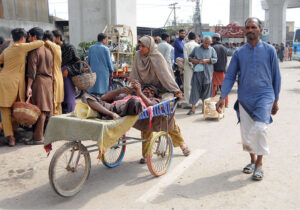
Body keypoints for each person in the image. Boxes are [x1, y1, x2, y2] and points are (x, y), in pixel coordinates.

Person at [216, 17, 281, 181]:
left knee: (260, 128)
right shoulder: (239, 53)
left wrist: (276, 99)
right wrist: (222, 97)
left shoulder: (269, 50)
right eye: (248, 27)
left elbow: (276, 77)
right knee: (246, 133)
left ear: (260, 30)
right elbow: (230, 76)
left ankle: (259, 163)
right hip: (245, 97)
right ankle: (252, 160)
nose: (250, 29)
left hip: (265, 95)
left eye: (254, 27)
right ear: (244, 31)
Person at [130, 35, 190, 162]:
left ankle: (181, 144)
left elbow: (166, 75)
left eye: (143, 47)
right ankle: (146, 154)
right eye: (139, 46)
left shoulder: (157, 57)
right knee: (146, 119)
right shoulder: (137, 56)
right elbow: (134, 74)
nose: (140, 49)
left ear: (150, 47)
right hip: (145, 90)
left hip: (162, 89)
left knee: (167, 118)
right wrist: (133, 89)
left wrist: (175, 90)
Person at [0, 28, 44, 146]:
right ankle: (14, 133)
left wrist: (2, 71)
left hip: (4, 82)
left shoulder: (7, 50)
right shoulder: (22, 47)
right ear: (23, 38)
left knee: (5, 111)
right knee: (16, 109)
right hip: (17, 84)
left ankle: (11, 138)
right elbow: (41, 42)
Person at [25, 27, 54, 145]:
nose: (29, 39)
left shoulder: (35, 51)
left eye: (30, 36)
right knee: (48, 109)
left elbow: (32, 71)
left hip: (39, 82)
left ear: (35, 37)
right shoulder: (48, 50)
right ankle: (47, 134)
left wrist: (29, 86)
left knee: (41, 110)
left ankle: (38, 138)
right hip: (48, 81)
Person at [82, 81, 160, 120]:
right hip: (111, 108)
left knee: (135, 101)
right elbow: (103, 98)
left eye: (151, 92)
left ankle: (108, 115)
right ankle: (111, 114)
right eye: (146, 89)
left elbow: (152, 106)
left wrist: (140, 93)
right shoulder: (131, 95)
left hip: (128, 110)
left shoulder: (153, 100)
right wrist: (120, 90)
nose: (148, 92)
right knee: (86, 96)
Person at [187, 36, 217, 115]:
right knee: (195, 90)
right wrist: (195, 60)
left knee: (206, 91)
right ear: (202, 42)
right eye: (205, 43)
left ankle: (204, 109)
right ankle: (193, 109)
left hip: (208, 73)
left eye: (208, 43)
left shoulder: (212, 49)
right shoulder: (196, 49)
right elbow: (189, 58)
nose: (207, 45)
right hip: (197, 73)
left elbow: (215, 59)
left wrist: (207, 60)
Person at [53, 30, 80, 114]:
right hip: (56, 77)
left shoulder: (69, 48)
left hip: (67, 78)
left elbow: (78, 64)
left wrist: (67, 69)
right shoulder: (52, 49)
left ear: (58, 38)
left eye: (52, 38)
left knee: (68, 100)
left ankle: (71, 118)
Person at [43, 31, 64, 115]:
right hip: (59, 78)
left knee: (54, 104)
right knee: (58, 104)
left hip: (54, 78)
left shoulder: (54, 47)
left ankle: (55, 125)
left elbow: (47, 42)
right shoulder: (58, 48)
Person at [211, 33, 228, 107]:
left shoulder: (212, 47)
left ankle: (211, 103)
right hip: (222, 71)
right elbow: (226, 59)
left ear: (214, 39)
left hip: (214, 70)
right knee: (223, 88)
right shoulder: (224, 48)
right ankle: (226, 103)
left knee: (212, 88)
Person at [183, 32, 199, 106]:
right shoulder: (198, 45)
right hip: (197, 68)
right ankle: (196, 102)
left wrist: (190, 65)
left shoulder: (186, 45)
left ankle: (189, 102)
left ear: (188, 38)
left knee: (187, 85)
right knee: (195, 85)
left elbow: (186, 58)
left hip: (188, 68)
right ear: (195, 38)